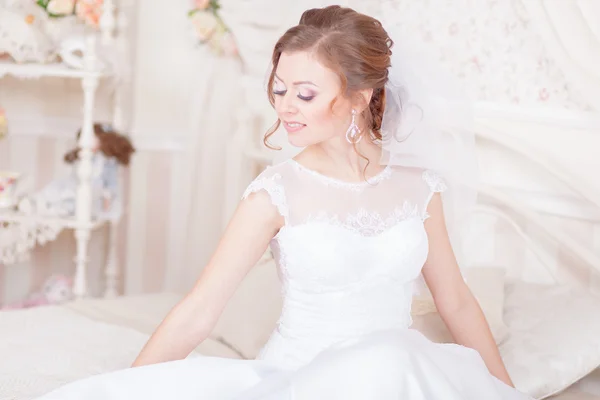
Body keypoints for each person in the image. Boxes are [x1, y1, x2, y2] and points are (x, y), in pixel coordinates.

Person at [37, 6, 533, 400]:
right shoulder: (275, 191)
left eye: (305, 93)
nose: (285, 107)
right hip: (300, 379)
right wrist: (132, 388)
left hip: (393, 375)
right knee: (384, 362)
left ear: (360, 96)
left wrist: (504, 390)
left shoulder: (422, 189)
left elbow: (458, 303)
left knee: (390, 360)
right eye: (279, 90)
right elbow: (200, 311)